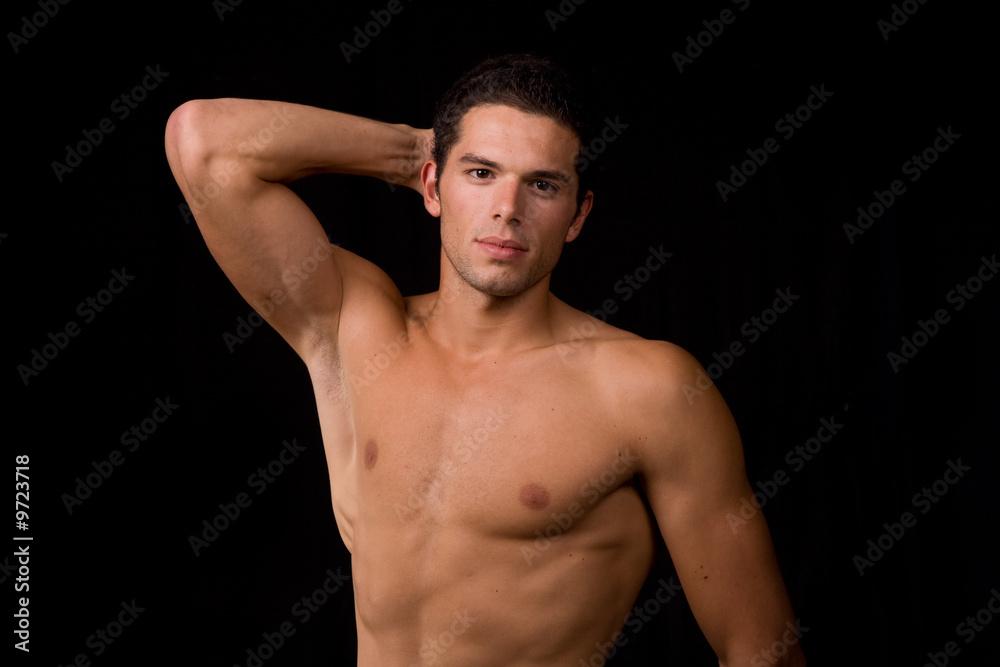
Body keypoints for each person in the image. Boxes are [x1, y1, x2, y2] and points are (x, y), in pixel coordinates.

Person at [165, 54, 806, 666]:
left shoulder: (647, 390)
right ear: (432, 186)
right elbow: (204, 142)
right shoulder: (357, 329)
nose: (507, 208)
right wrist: (415, 150)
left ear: (578, 215)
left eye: (543, 185)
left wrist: (458, 163)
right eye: (480, 173)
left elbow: (759, 651)